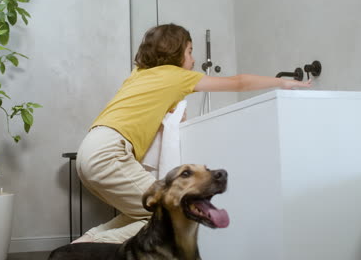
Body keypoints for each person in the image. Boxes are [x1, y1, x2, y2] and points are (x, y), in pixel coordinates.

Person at [73, 23, 312, 244]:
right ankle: (89, 249)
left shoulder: (140, 74)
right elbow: (238, 82)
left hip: (90, 149)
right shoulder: (176, 76)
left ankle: (79, 247)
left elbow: (146, 111)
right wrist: (281, 83)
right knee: (170, 213)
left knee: (142, 212)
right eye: (189, 51)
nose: (193, 58)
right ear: (175, 52)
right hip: (109, 152)